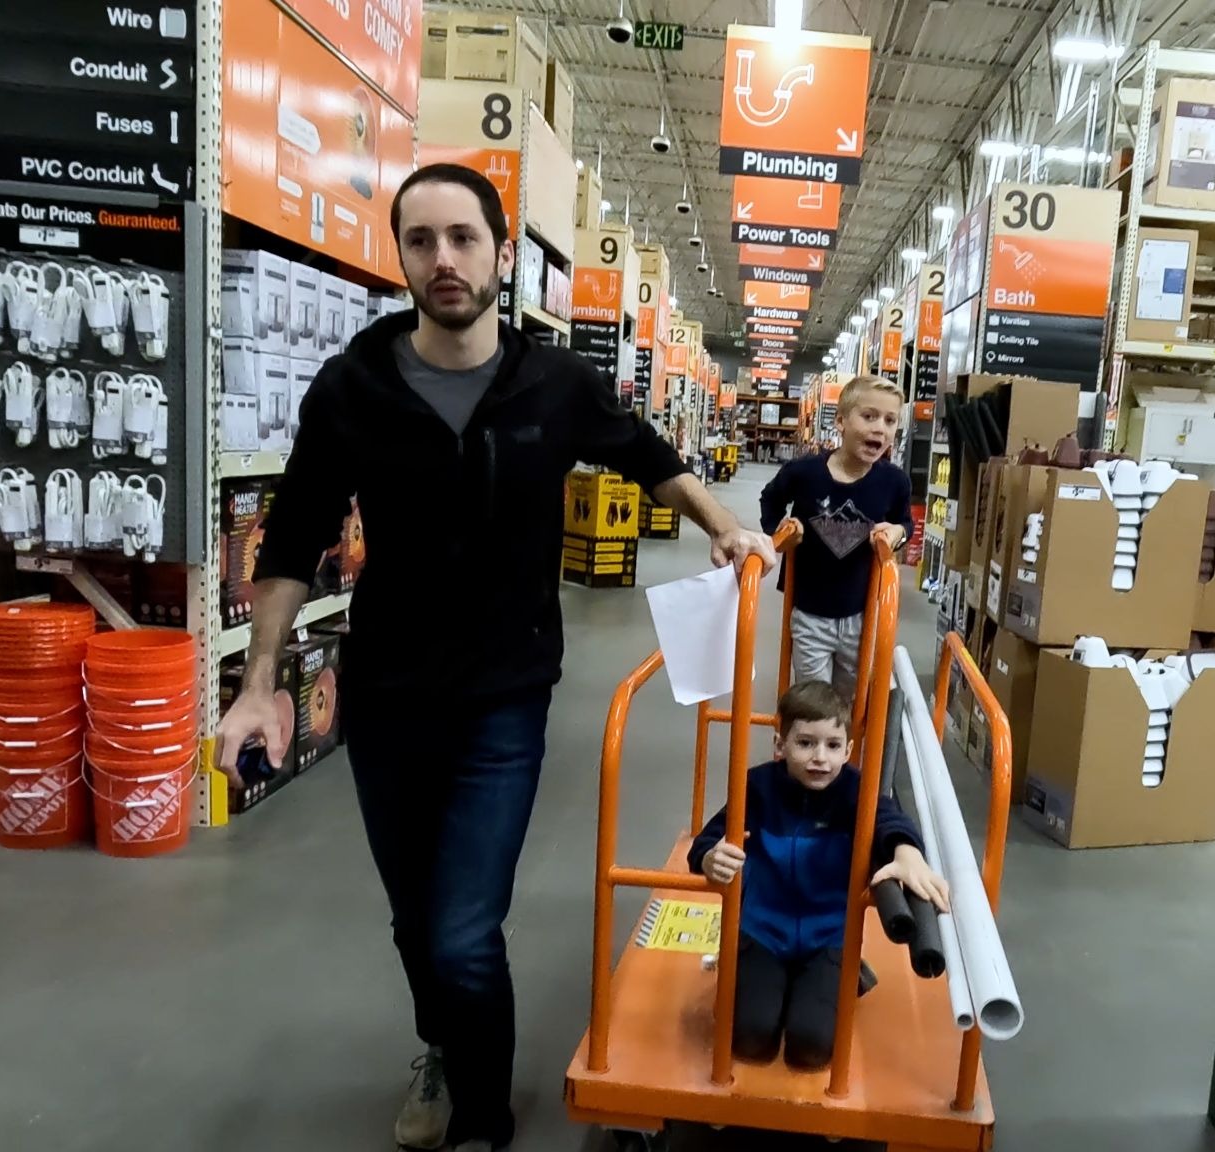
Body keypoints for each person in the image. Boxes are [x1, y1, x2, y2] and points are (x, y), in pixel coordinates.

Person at [213, 162, 775, 1152]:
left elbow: (644, 452)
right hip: (385, 698)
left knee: (464, 931)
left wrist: (723, 526)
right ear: (401, 257)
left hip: (503, 700)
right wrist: (260, 684)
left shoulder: (551, 382)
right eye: (421, 240)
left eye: (463, 238)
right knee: (414, 919)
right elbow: (295, 534)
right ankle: (440, 1047)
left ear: (499, 255)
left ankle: (482, 1116)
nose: (443, 259)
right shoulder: (354, 386)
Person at [689, 680, 950, 1069]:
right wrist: (710, 857)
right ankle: (764, 979)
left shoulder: (854, 791)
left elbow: (888, 818)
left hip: (827, 937)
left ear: (848, 750)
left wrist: (907, 852)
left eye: (831, 746)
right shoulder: (759, 787)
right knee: (748, 1040)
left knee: (811, 1049)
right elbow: (709, 839)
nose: (819, 758)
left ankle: (846, 976)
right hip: (763, 932)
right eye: (805, 743)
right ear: (780, 745)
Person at [758, 376, 912, 701]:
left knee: (851, 702)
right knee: (813, 700)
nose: (879, 429)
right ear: (840, 421)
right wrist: (778, 532)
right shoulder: (804, 473)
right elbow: (770, 499)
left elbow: (904, 522)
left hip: (862, 614)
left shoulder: (894, 482)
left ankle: (841, 750)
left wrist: (898, 533)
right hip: (809, 613)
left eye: (890, 420)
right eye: (868, 416)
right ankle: (813, 748)